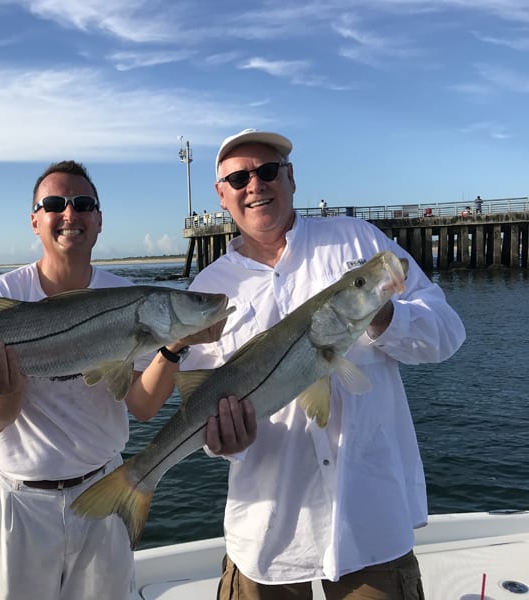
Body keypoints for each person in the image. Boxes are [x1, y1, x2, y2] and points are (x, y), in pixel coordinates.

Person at [140, 129, 465, 599]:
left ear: (291, 178)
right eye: (239, 178)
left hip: (370, 520)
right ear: (222, 195)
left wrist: (384, 315)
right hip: (266, 534)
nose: (255, 185)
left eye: (268, 171)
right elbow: (204, 406)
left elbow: (447, 333)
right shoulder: (208, 290)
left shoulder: (357, 240)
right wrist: (226, 444)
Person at [0, 160, 243, 600]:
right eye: (54, 204)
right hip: (16, 504)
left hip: (103, 492)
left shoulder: (130, 298)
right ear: (35, 220)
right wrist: (9, 383)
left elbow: (142, 405)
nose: (69, 214)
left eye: (82, 204)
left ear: (98, 220)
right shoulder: (0, 296)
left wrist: (175, 345)